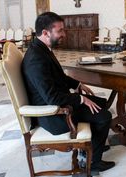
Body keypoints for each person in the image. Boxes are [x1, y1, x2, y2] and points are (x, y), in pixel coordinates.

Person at [21, 12, 115, 172]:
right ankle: (94, 162)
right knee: (105, 116)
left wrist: (78, 84)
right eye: (60, 31)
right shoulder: (36, 59)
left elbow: (59, 76)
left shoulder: (41, 49)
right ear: (45, 33)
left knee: (100, 103)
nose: (64, 34)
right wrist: (80, 99)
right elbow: (51, 97)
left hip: (59, 103)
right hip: (53, 114)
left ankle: (92, 147)